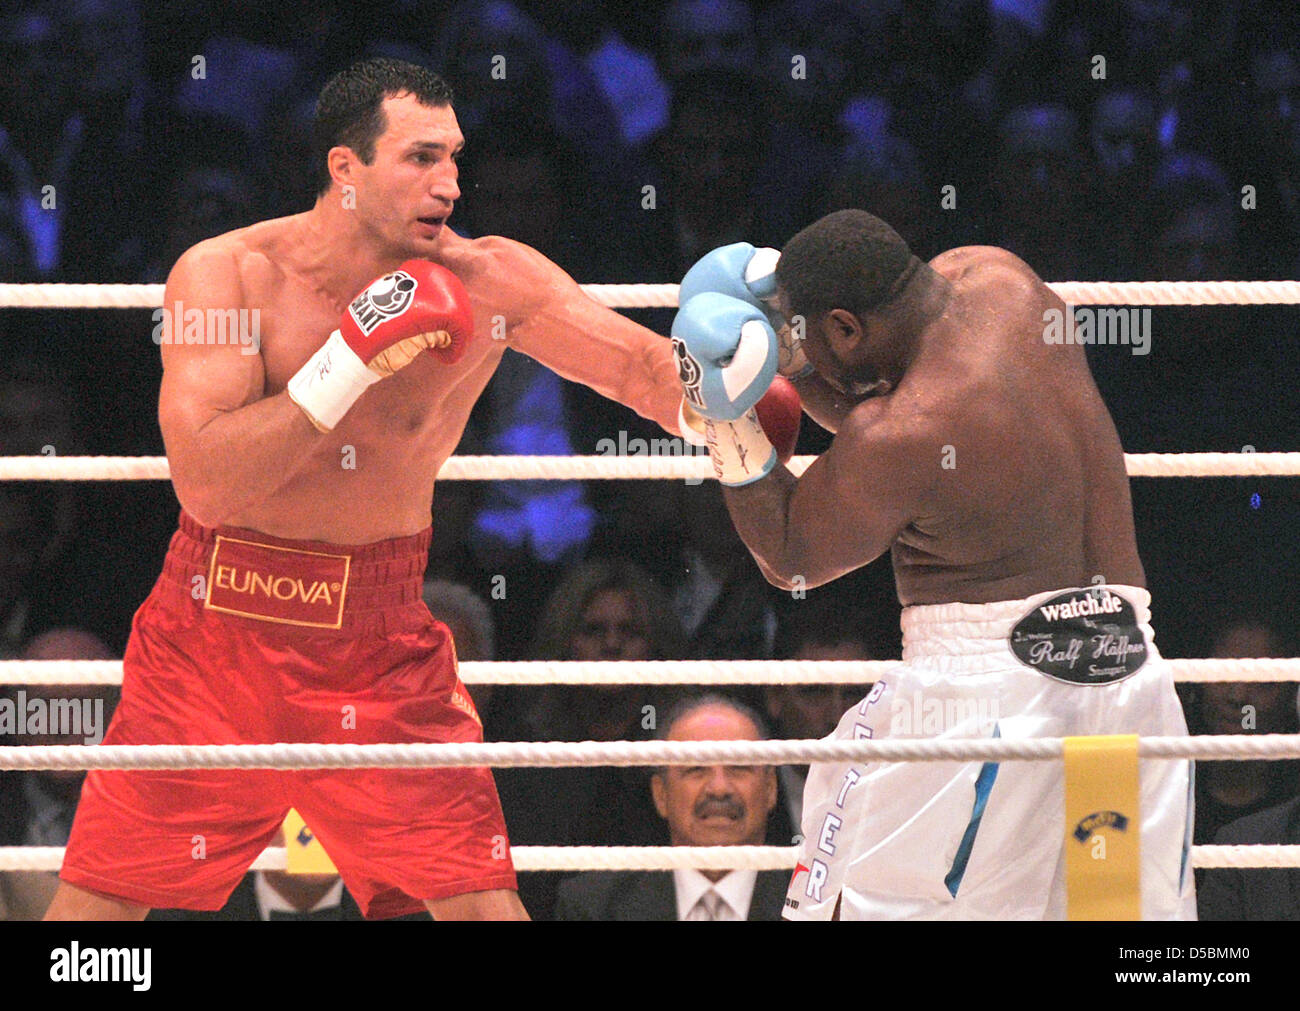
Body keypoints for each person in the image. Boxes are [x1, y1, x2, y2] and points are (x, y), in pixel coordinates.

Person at [46, 57, 694, 923]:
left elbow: (643, 372)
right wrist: (346, 358)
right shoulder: (227, 275)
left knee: (481, 906)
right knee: (95, 923)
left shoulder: (491, 278)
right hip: (212, 635)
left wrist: (752, 379)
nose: (451, 183)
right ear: (344, 169)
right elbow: (205, 482)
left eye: (456, 158)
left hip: (378, 647)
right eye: (421, 158)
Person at [669, 209, 1194, 919]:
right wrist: (791, 350)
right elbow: (878, 397)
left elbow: (792, 556)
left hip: (982, 704)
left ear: (847, 329)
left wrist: (724, 408)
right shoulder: (1003, 279)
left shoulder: (904, 432)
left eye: (808, 335)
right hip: (1125, 675)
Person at [554, 694, 787, 921]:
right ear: (661, 794)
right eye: (696, 769)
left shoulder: (818, 905)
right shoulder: (593, 907)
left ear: (770, 788)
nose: (719, 788)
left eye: (739, 768)